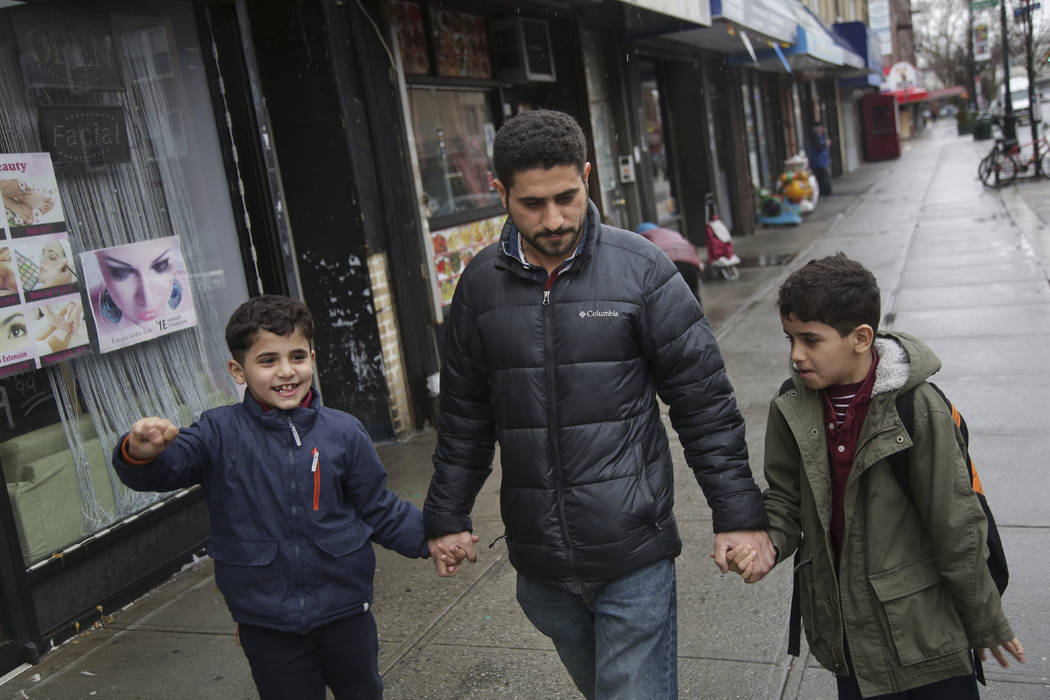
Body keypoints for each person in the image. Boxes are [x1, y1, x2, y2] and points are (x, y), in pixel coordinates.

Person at [424, 109, 774, 699]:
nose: (555, 219)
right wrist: (446, 515)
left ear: (588, 175)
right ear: (499, 192)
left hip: (632, 551)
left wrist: (738, 515)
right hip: (541, 567)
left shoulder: (641, 269)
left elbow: (704, 403)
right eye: (532, 204)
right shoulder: (479, 285)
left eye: (568, 196)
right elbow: (464, 417)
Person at [112, 295, 450, 700]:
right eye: (268, 360)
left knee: (362, 691)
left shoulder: (343, 432)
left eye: (297, 357)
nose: (287, 372)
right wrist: (141, 452)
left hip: (344, 610)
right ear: (238, 370)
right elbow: (170, 464)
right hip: (266, 620)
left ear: (312, 356)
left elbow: (378, 507)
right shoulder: (217, 433)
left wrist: (433, 537)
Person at [728, 254, 1024, 699]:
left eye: (810, 340)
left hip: (927, 634)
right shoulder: (791, 404)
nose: (796, 355)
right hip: (849, 633)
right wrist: (766, 545)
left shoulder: (916, 407)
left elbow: (956, 523)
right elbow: (786, 501)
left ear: (861, 338)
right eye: (789, 338)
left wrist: (984, 619)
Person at [635, 222, 702, 302]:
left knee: (670, 301)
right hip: (691, 264)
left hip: (669, 265)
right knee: (694, 296)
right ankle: (698, 313)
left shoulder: (643, 238)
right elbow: (691, 248)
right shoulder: (672, 233)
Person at [808, 122, 832, 197]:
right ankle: (824, 192)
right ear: (817, 128)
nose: (822, 129)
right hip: (818, 161)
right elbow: (819, 148)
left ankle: (826, 192)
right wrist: (826, 144)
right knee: (822, 177)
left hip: (823, 160)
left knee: (824, 177)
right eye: (821, 128)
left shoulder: (821, 136)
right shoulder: (815, 136)